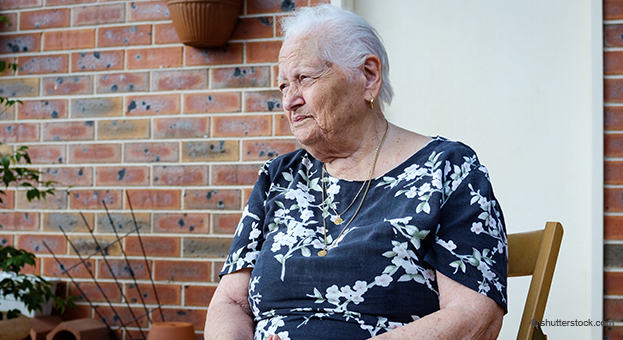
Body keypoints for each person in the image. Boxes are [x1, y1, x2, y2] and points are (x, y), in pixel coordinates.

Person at [205, 4, 507, 340]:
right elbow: (230, 301)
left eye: (304, 78)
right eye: (283, 86)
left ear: (368, 76)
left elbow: (474, 318)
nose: (289, 100)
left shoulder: (446, 170)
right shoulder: (278, 178)